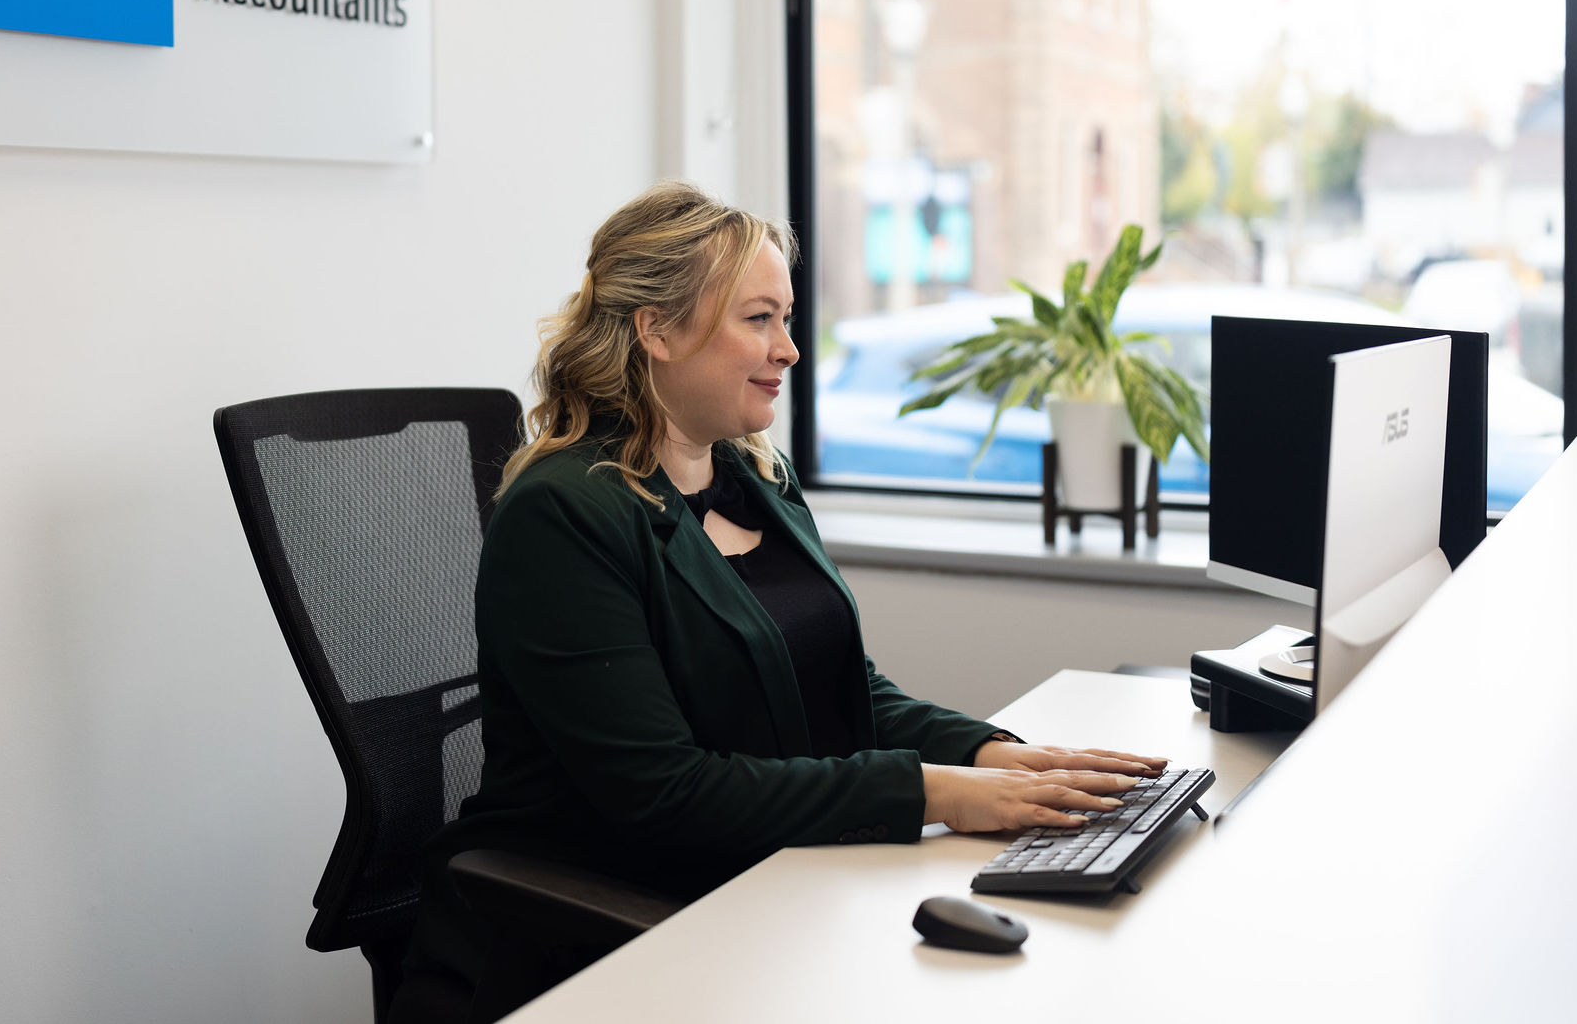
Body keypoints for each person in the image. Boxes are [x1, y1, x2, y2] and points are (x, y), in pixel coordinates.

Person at [391, 183, 1164, 1022]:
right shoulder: (565, 512)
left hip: (768, 875)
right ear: (657, 329)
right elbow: (665, 794)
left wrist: (989, 757)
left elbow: (845, 689)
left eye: (787, 318)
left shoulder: (757, 476)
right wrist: (935, 794)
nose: (790, 349)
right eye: (759, 319)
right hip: (600, 917)